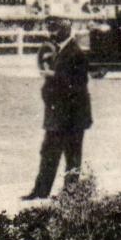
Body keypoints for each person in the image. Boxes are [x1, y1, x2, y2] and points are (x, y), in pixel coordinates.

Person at [25, 18, 92, 200]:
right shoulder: (58, 51)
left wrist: (54, 75)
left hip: (72, 116)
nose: (52, 34)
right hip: (58, 115)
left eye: (55, 30)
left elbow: (78, 84)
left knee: (71, 156)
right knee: (49, 152)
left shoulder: (75, 53)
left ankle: (69, 194)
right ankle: (40, 192)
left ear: (65, 31)